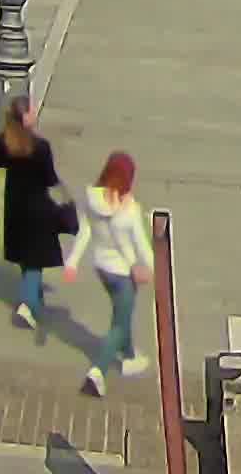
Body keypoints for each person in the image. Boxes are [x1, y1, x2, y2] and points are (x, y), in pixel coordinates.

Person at [62, 150, 154, 393]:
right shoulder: (129, 210)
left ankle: (130, 356)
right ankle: (97, 372)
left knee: (121, 313)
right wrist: (154, 268)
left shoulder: (91, 199)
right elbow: (142, 244)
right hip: (124, 274)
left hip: (101, 268)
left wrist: (72, 262)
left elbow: (85, 232)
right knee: (119, 325)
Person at [0, 98, 70, 331]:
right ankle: (28, 303)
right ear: (27, 117)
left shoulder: (4, 144)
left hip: (15, 205)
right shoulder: (40, 147)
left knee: (26, 256)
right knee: (35, 260)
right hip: (37, 208)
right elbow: (50, 178)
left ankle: (35, 299)